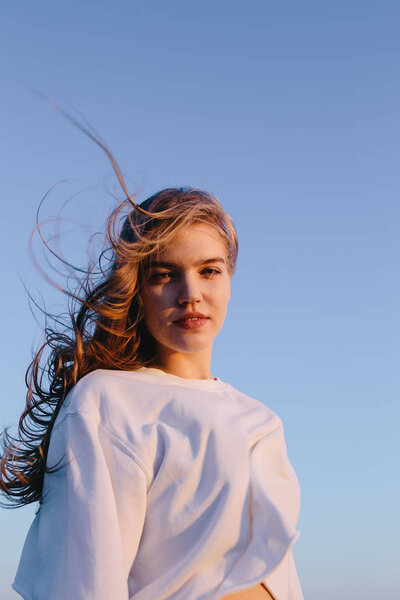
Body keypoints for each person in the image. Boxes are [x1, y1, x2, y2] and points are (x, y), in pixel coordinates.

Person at [0, 136, 304, 599]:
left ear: (230, 278)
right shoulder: (106, 401)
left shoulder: (263, 420)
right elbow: (83, 581)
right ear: (138, 288)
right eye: (164, 274)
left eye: (209, 270)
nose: (190, 294)